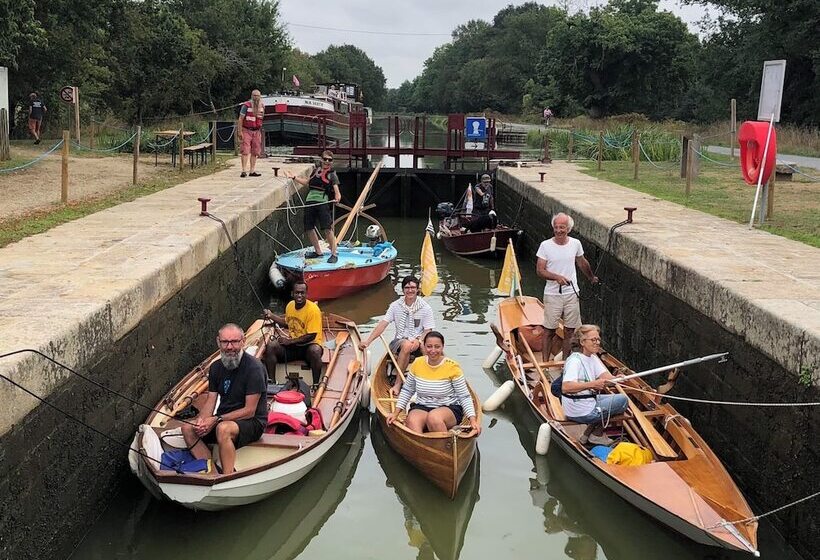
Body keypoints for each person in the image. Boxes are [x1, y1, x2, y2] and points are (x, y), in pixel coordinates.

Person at [181, 323, 267, 474]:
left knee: (223, 429)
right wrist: (202, 422)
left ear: (243, 341)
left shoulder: (254, 368)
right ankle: (212, 473)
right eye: (225, 342)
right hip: (223, 419)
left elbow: (250, 411)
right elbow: (211, 400)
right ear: (218, 342)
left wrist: (216, 419)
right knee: (188, 428)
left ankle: (227, 476)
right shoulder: (215, 367)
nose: (229, 347)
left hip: (252, 422)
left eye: (234, 342)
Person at [387, 331, 480, 435]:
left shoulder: (452, 367)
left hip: (449, 408)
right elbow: (407, 391)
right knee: (412, 421)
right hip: (422, 406)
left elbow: (464, 396)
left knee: (434, 418)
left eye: (437, 347)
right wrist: (396, 413)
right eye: (429, 346)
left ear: (442, 347)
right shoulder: (417, 363)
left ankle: (443, 443)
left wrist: (472, 420)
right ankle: (420, 444)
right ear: (424, 347)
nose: (433, 350)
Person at [536, 212, 598, 362]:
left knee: (570, 331)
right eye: (556, 227)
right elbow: (540, 270)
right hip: (552, 294)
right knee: (549, 330)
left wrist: (591, 277)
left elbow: (582, 262)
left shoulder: (575, 244)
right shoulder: (545, 246)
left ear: (568, 229)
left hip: (572, 293)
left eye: (562, 227)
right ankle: (544, 363)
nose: (558, 230)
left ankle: (565, 362)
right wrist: (556, 277)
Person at [358, 275, 435, 392]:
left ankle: (432, 380)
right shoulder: (395, 306)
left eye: (413, 288)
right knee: (407, 345)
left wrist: (419, 340)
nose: (410, 290)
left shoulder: (425, 308)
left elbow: (428, 330)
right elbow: (383, 324)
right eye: (407, 288)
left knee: (432, 347)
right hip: (399, 341)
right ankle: (398, 384)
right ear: (403, 290)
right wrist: (368, 341)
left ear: (417, 289)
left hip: (419, 340)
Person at [560, 324, 627, 445]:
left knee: (617, 400)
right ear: (582, 342)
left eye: (598, 339)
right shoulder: (575, 361)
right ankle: (596, 435)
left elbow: (607, 378)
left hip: (588, 401)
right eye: (593, 340)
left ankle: (587, 435)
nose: (597, 343)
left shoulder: (592, 357)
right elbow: (566, 387)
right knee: (622, 400)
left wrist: (616, 379)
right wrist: (592, 384)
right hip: (578, 410)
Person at [262, 280, 325, 386]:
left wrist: (289, 341)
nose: (299, 295)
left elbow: (311, 336)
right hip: (293, 347)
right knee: (271, 346)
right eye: (297, 293)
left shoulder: (313, 310)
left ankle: (315, 385)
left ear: (306, 294)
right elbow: (287, 323)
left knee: (315, 350)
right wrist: (271, 316)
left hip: (308, 347)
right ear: (292, 294)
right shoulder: (290, 306)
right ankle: (272, 382)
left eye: (302, 293)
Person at [285, 150, 341, 263]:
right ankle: (318, 252)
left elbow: (337, 191)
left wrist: (337, 197)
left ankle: (334, 254)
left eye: (329, 160)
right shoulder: (316, 171)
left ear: (332, 162)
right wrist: (294, 177)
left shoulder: (332, 175)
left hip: (322, 202)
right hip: (310, 201)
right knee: (309, 228)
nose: (327, 161)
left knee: (327, 228)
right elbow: (307, 182)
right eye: (325, 159)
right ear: (321, 159)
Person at [237, 89, 264, 178]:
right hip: (246, 129)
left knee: (255, 151)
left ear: (260, 96)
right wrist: (240, 131)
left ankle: (252, 170)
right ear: (252, 96)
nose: (256, 97)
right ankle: (244, 170)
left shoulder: (262, 106)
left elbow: (262, 118)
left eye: (258, 96)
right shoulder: (246, 106)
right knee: (245, 150)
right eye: (254, 95)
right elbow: (240, 118)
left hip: (257, 131)